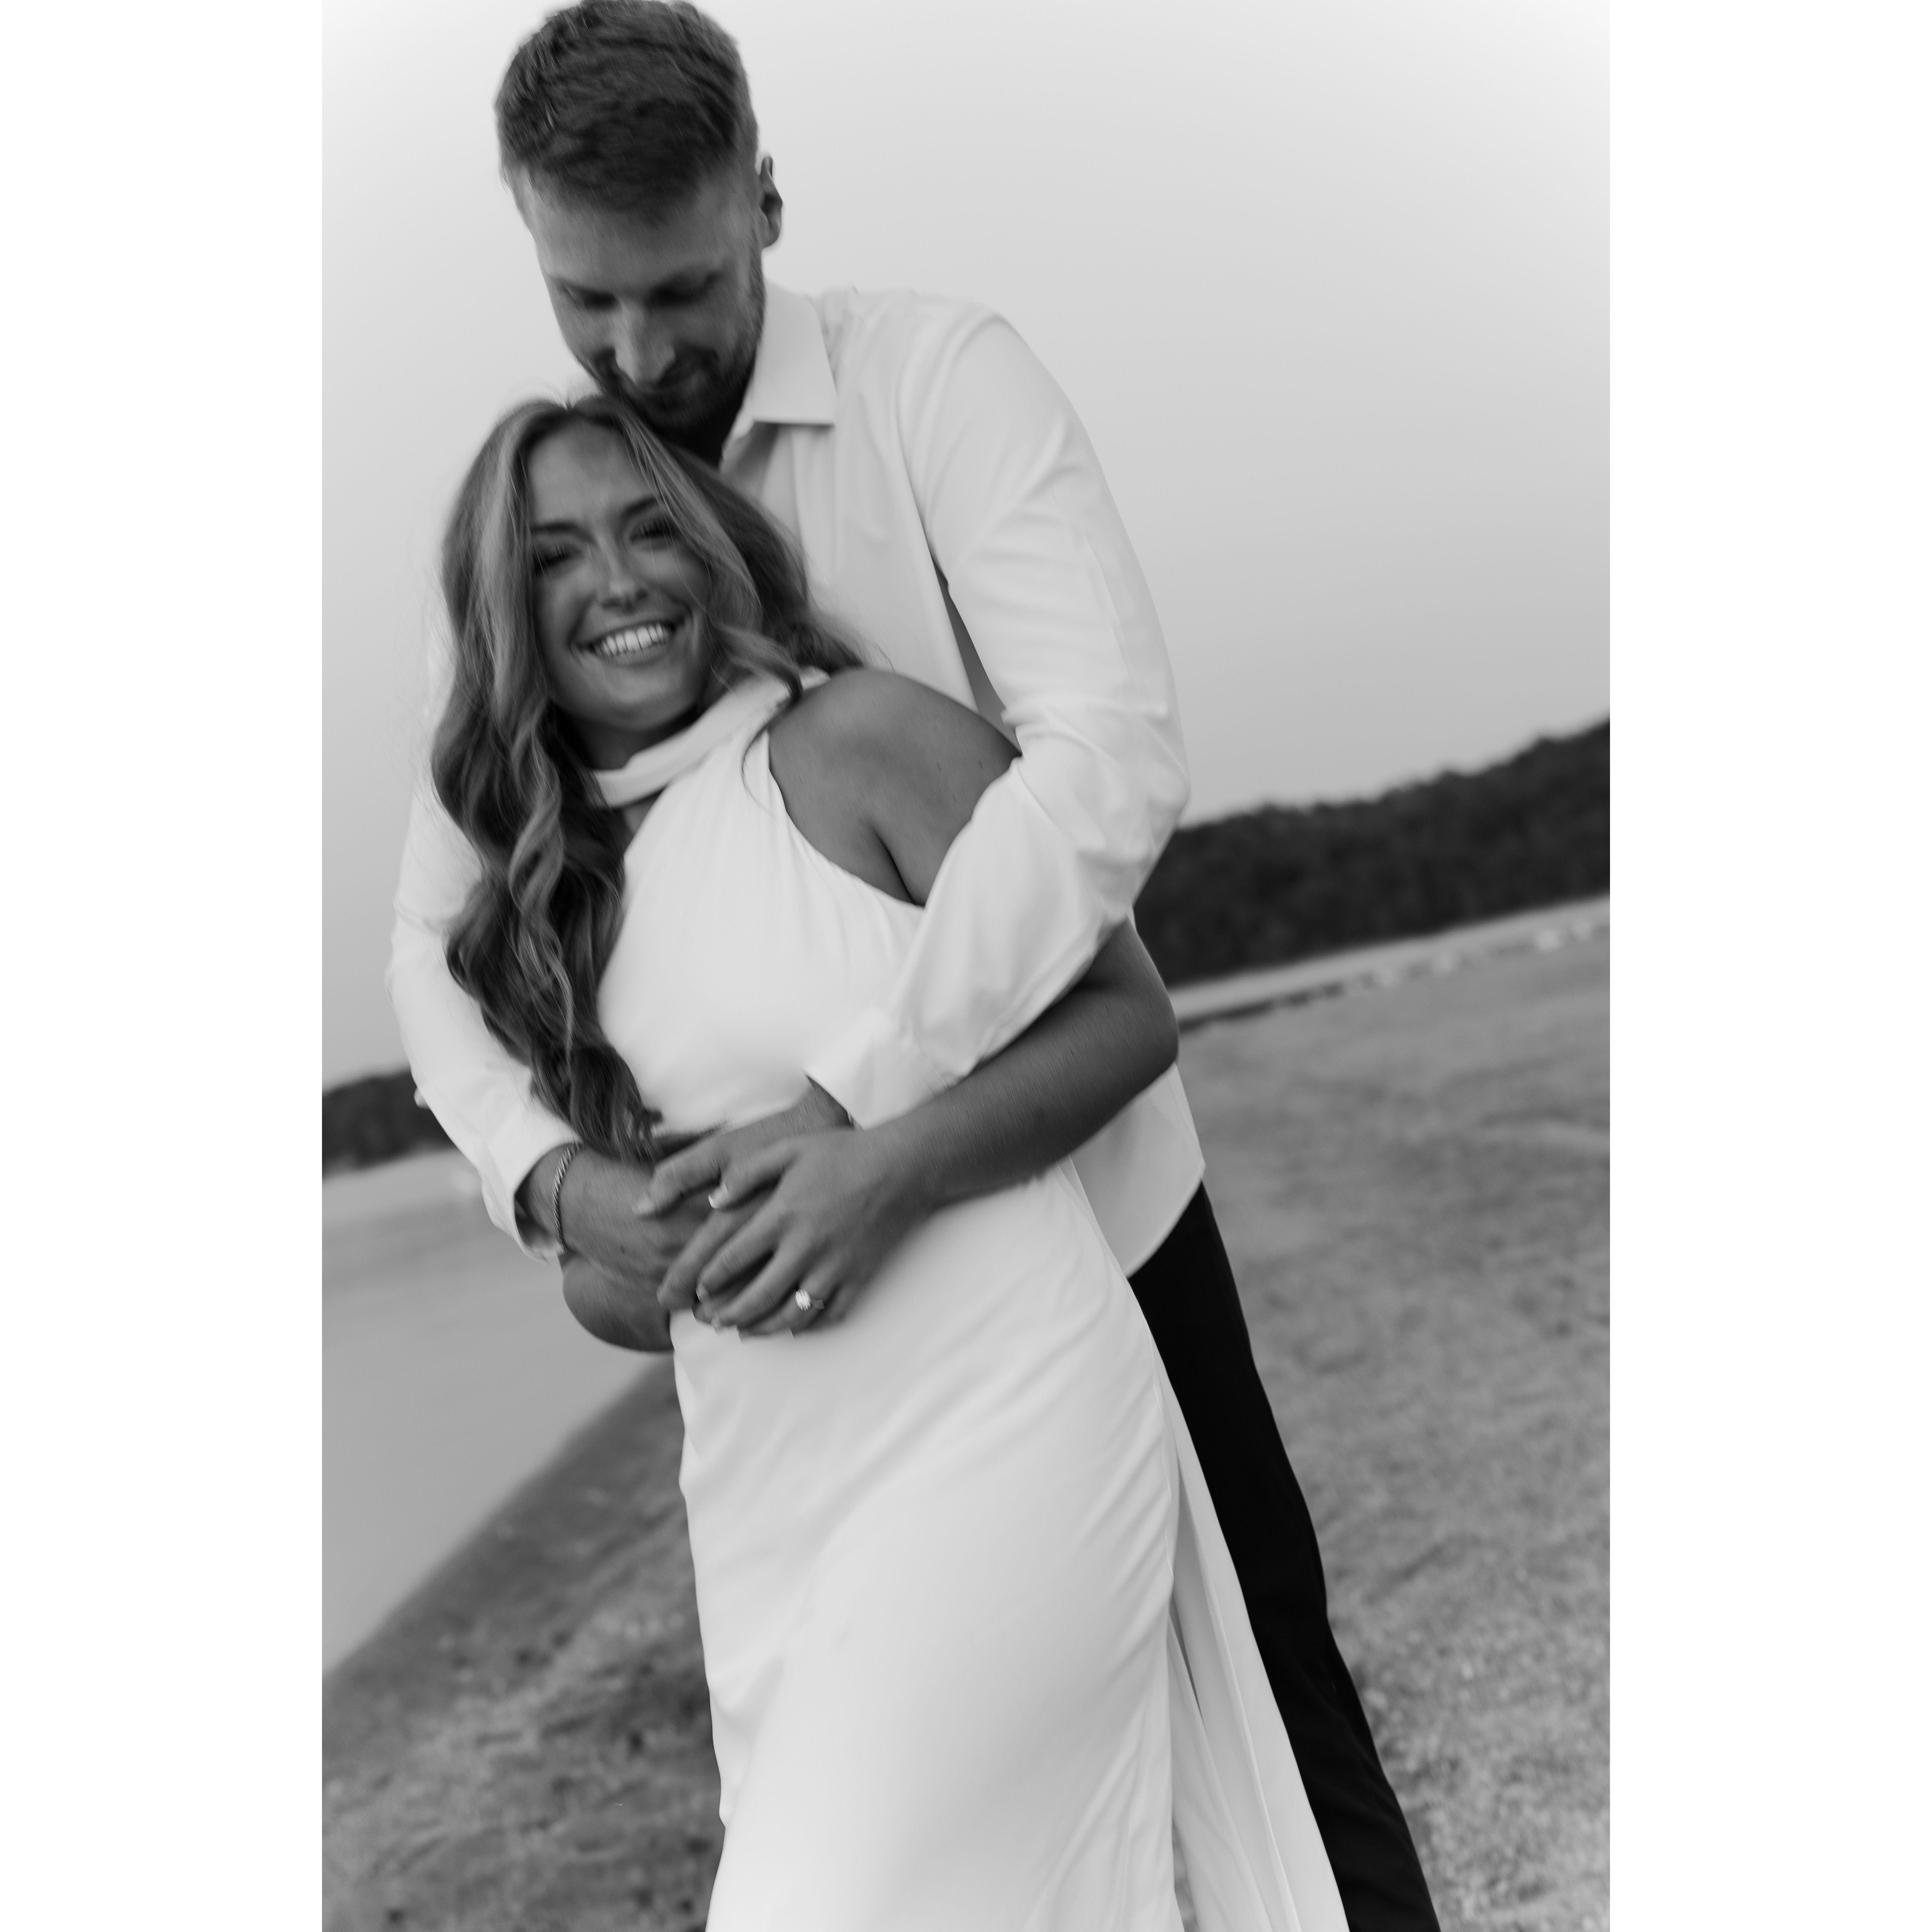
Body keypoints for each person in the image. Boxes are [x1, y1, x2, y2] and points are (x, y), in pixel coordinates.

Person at [390, 6, 1439, 1926]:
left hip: (1089, 1198)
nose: (640, 352)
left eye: (681, 289)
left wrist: (866, 1102)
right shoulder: (574, 514)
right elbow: (428, 937)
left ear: (766, 202)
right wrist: (549, 1187)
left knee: (1272, 1730)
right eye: (584, 301)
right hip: (812, 1377)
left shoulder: (939, 382)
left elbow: (1108, 760)